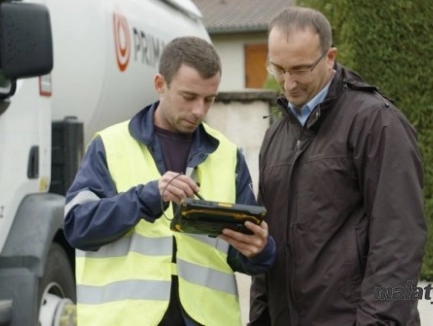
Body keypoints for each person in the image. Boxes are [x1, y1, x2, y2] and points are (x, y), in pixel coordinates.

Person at [64, 36, 276, 326]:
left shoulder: (228, 156)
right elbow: (78, 226)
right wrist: (147, 196)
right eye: (189, 97)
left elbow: (239, 252)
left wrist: (261, 251)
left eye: (209, 99)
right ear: (160, 84)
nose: (199, 110)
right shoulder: (109, 145)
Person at [249, 7, 427, 325]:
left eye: (301, 70)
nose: (288, 84)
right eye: (278, 69)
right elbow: (268, 245)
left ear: (330, 57)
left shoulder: (376, 122)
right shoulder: (275, 134)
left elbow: (400, 241)